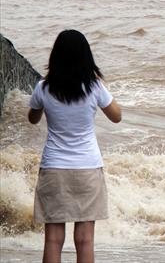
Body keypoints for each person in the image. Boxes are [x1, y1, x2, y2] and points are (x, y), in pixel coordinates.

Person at [27, 29, 121, 263]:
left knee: (53, 240)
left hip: (54, 167)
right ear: (86, 57)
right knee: (85, 239)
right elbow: (116, 116)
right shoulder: (94, 88)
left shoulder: (43, 88)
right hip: (87, 167)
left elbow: (32, 118)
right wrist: (101, 83)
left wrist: (40, 108)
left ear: (55, 57)